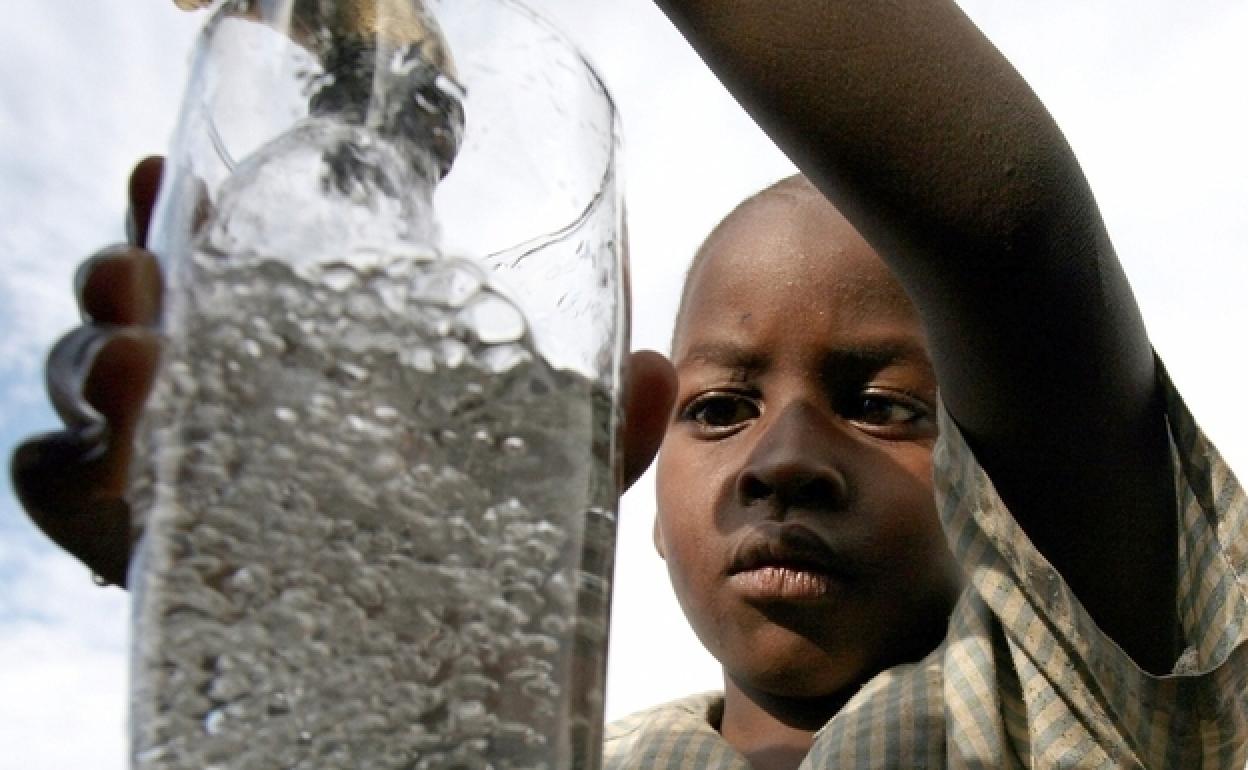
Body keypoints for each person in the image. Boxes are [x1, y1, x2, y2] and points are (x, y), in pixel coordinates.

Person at [12, 1, 1248, 767]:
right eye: (720, 406)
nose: (785, 458)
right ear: (636, 503)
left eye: (885, 403)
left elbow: (1013, 241)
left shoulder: (1067, 699)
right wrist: (313, 645)